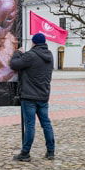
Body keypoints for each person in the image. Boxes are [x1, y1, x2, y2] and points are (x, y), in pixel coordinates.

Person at [10, 33, 56, 161]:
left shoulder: (30, 55)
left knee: (30, 125)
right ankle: (51, 151)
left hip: (29, 96)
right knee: (46, 123)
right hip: (43, 95)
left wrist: (18, 53)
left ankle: (25, 153)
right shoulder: (50, 55)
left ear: (34, 43)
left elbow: (14, 64)